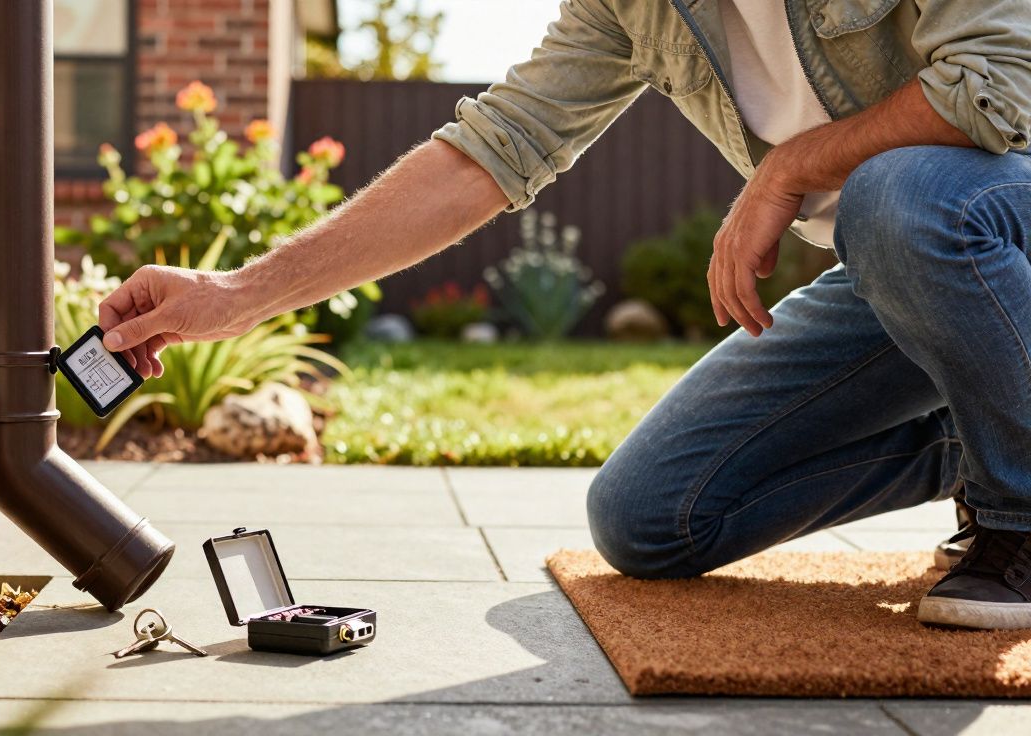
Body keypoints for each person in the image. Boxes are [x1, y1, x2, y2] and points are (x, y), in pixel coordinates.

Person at [98, 1, 1031, 629]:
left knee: (899, 195)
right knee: (651, 517)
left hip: (986, 225)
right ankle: (993, 422)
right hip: (903, 274)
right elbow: (487, 154)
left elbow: (999, 80)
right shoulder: (636, 10)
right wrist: (235, 296)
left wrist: (787, 168)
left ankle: (1018, 521)